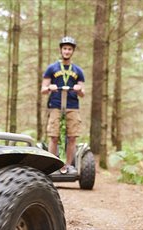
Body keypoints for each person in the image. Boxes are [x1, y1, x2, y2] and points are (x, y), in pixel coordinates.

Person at [41, 36, 85, 175]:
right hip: (56, 104)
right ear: (61, 50)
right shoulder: (52, 68)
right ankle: (51, 164)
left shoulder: (78, 71)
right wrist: (50, 88)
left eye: (69, 49)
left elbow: (83, 93)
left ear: (72, 51)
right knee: (54, 136)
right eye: (65, 48)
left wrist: (79, 90)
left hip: (72, 105)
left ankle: (68, 165)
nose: (67, 51)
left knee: (72, 136)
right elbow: (43, 89)